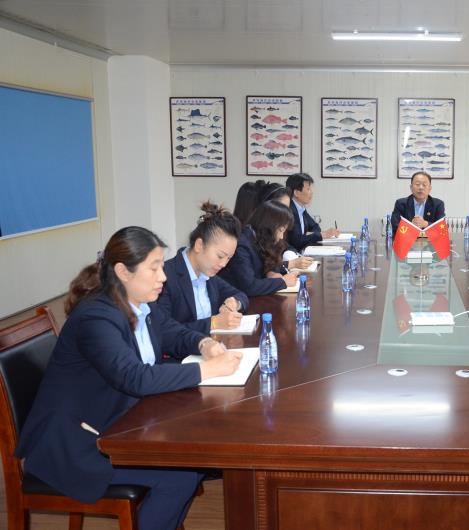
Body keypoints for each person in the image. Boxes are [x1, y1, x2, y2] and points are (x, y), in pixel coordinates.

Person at [15, 226, 241, 530]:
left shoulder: (139, 303)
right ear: (123, 272)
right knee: (181, 475)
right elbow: (133, 377)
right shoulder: (96, 317)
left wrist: (204, 344)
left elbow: (172, 331)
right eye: (154, 268)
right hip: (77, 444)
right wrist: (207, 370)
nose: (163, 277)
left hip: (118, 421)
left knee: (196, 460)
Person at [156, 201, 249, 334]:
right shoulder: (165, 278)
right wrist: (214, 323)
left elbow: (241, 295)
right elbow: (165, 332)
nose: (223, 264)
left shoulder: (208, 275)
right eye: (220, 256)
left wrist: (234, 302)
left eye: (229, 258)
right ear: (199, 245)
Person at [218, 200, 299, 296]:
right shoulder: (242, 245)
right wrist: (283, 282)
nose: (281, 237)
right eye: (281, 230)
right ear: (269, 226)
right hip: (232, 299)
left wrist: (271, 272)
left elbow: (270, 261)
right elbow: (249, 287)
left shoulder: (261, 238)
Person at [285, 173, 338, 251]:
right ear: (296, 193)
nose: (311, 192)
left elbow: (316, 227)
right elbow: (296, 241)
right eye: (308, 189)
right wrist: (321, 235)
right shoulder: (289, 210)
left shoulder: (301, 209)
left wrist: (315, 235)